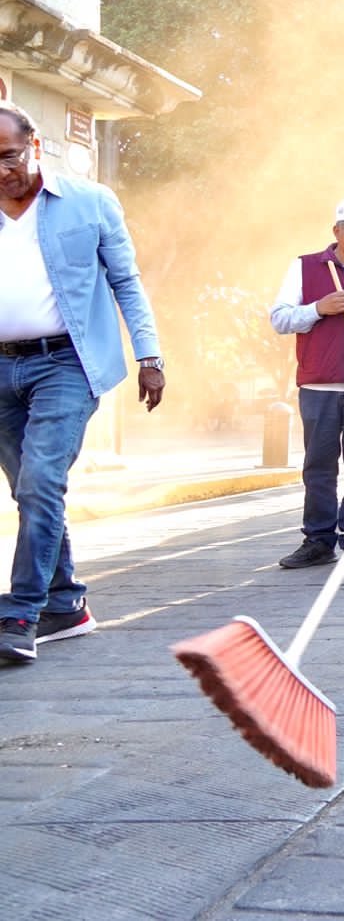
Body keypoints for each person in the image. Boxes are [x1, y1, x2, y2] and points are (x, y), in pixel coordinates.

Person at [0, 102, 166, 665]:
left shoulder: (90, 202)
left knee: (41, 480)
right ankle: (66, 602)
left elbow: (126, 280)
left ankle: (20, 612)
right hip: (1, 369)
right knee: (31, 488)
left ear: (35, 145)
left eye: (9, 156)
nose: (2, 170)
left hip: (66, 365)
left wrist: (150, 354)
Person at [269, 196, 344, 570]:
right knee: (318, 467)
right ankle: (318, 540)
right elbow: (280, 319)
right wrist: (319, 309)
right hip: (318, 385)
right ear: (337, 231)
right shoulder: (305, 268)